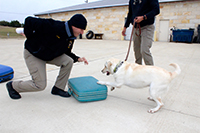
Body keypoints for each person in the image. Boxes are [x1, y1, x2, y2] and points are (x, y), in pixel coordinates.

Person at [6, 14, 88, 99]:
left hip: (49, 55)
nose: (82, 33)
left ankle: (58, 88)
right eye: (81, 29)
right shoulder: (53, 26)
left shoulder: (70, 37)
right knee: (39, 85)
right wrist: (29, 36)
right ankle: (13, 86)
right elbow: (29, 20)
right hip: (34, 54)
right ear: (73, 26)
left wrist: (77, 58)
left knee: (69, 61)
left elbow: (66, 52)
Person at [122, 0, 160, 65]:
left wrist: (144, 17)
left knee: (144, 50)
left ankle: (151, 70)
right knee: (137, 51)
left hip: (147, 27)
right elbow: (130, 13)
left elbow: (156, 10)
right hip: (136, 28)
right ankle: (138, 69)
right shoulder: (132, 0)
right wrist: (125, 27)